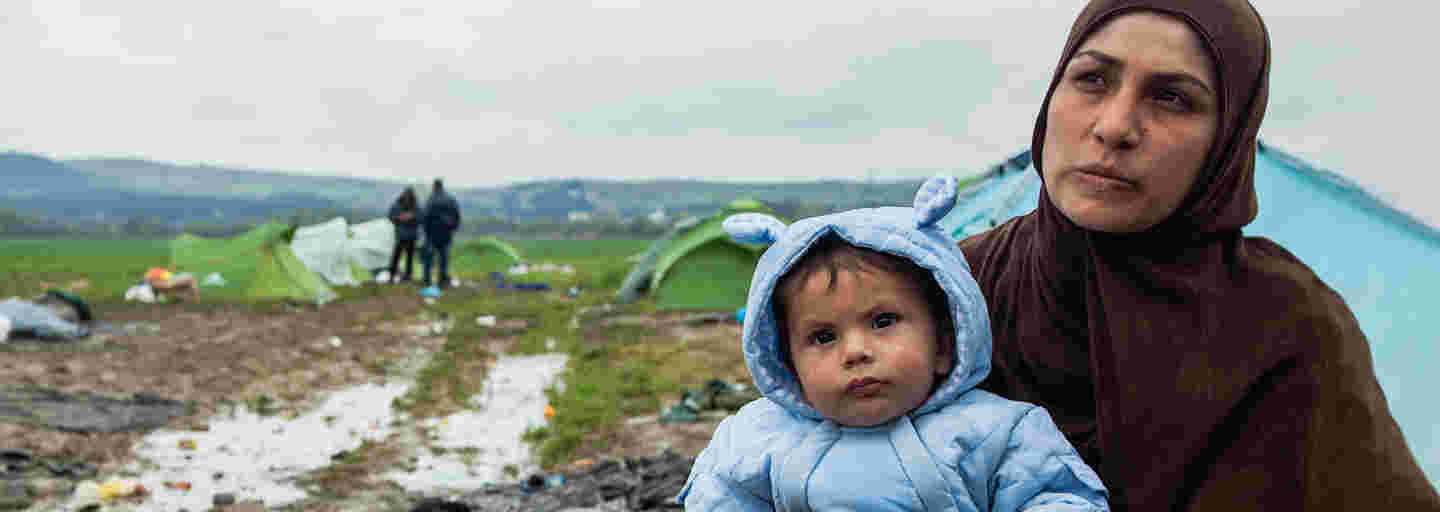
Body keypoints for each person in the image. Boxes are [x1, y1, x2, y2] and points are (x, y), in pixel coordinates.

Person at [956, 1, 1440, 510]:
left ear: (1227, 141)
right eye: (1093, 79)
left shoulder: (1287, 329)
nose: (1115, 126)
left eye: (1171, 98)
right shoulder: (951, 290)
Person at [677, 176, 1109, 511]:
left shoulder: (995, 433)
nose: (856, 351)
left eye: (883, 322)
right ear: (788, 362)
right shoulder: (756, 440)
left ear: (943, 344)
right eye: (823, 337)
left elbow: (1057, 496)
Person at [421, 178, 462, 289]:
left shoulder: (431, 200)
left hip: (432, 234)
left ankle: (427, 280)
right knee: (443, 259)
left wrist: (426, 232)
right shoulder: (450, 199)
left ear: (434, 186)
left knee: (428, 259)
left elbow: (425, 217)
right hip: (446, 233)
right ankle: (442, 280)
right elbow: (457, 216)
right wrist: (452, 228)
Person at [387, 187, 421, 283]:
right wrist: (401, 218)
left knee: (398, 256)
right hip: (407, 235)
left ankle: (395, 276)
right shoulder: (415, 205)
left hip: (405, 235)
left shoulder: (399, 204)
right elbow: (421, 218)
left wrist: (407, 218)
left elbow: (390, 216)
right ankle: (401, 276)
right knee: (401, 256)